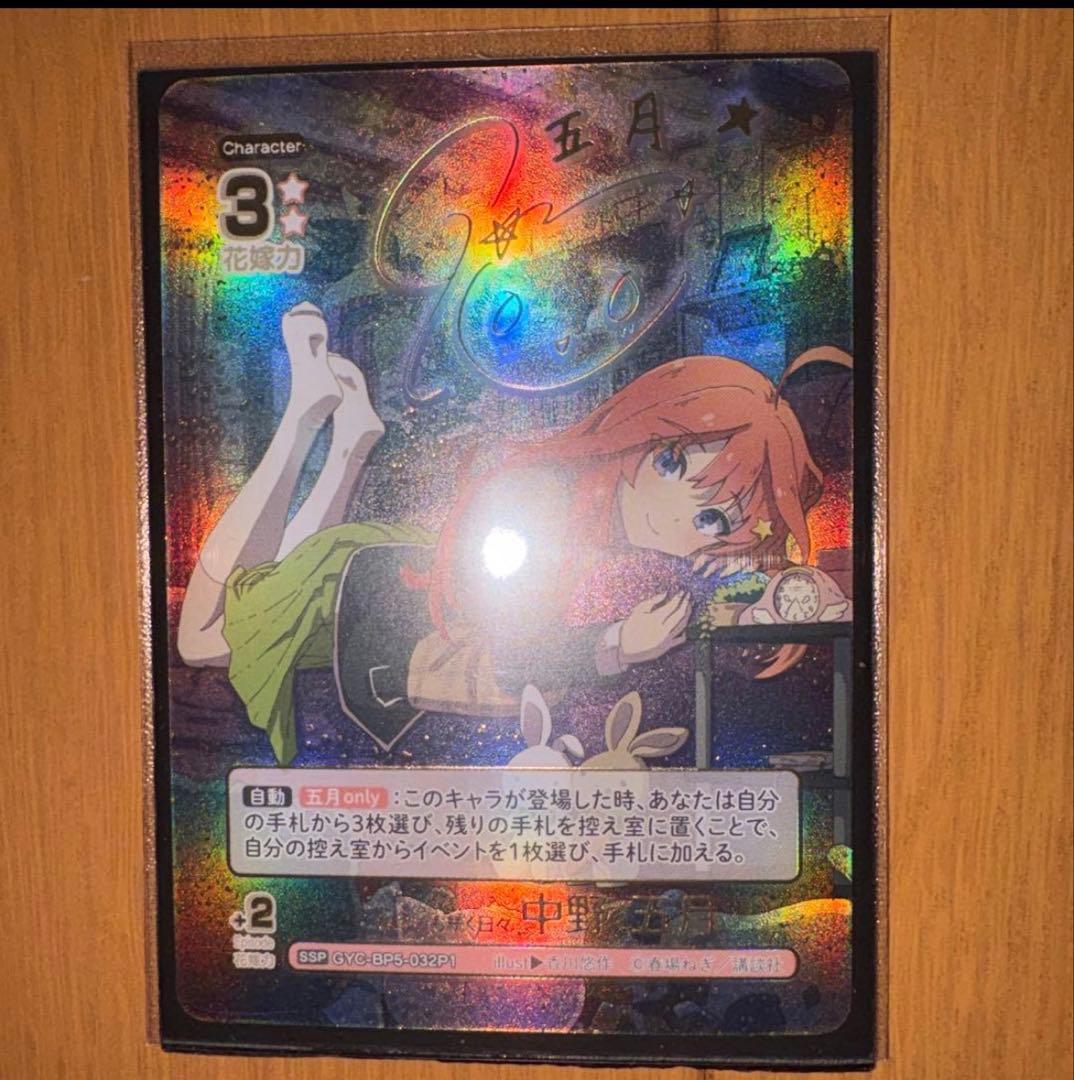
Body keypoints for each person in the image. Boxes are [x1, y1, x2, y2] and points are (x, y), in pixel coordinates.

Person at [177, 301, 842, 763]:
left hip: (394, 571)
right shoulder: (545, 495)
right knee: (200, 637)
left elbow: (737, 573)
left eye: (711, 520)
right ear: (642, 430)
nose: (677, 513)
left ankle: (350, 438)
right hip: (376, 612)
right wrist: (617, 644)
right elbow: (515, 652)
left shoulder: (616, 530)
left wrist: (758, 574)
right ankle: (304, 416)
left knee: (259, 589)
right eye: (671, 462)